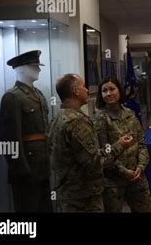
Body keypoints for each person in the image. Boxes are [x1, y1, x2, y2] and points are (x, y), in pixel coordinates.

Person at [49, 74, 133, 212]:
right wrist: (119, 146)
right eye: (83, 86)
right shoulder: (77, 122)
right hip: (83, 197)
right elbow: (94, 160)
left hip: (68, 192)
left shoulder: (59, 117)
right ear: (76, 91)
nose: (87, 90)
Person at [0, 50, 52, 212]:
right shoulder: (12, 97)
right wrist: (21, 170)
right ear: (20, 69)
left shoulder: (39, 94)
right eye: (34, 66)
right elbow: (9, 139)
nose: (39, 70)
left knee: (44, 207)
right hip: (26, 168)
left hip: (42, 165)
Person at [93, 77, 151, 212]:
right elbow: (103, 153)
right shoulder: (100, 118)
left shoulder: (130, 114)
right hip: (113, 180)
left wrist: (140, 166)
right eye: (104, 91)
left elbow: (141, 143)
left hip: (137, 176)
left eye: (112, 89)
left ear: (119, 91)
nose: (108, 94)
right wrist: (124, 172)